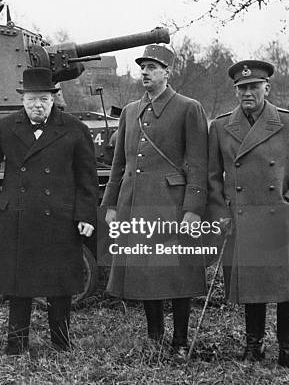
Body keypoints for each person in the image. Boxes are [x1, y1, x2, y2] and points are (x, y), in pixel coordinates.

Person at [0, 67, 98, 355]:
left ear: (53, 100)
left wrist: (85, 215)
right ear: (23, 100)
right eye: (31, 99)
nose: (37, 105)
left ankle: (61, 343)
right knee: (20, 285)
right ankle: (16, 344)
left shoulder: (74, 129)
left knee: (60, 286)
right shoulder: (6, 127)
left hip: (61, 218)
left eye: (43, 99)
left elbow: (87, 178)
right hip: (18, 216)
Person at [207, 60, 289, 369]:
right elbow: (212, 177)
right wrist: (221, 212)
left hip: (280, 218)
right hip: (243, 218)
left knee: (287, 285)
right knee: (253, 285)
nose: (247, 93)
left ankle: (287, 349)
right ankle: (253, 347)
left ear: (266, 88)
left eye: (254, 87)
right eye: (242, 88)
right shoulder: (220, 126)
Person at [101, 45, 209, 360]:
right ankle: (154, 338)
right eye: (143, 66)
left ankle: (180, 342)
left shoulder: (189, 108)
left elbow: (198, 165)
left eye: (153, 67)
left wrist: (193, 209)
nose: (145, 72)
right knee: (147, 273)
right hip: (136, 204)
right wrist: (110, 205)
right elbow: (119, 164)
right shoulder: (131, 111)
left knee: (177, 274)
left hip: (172, 205)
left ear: (167, 72)